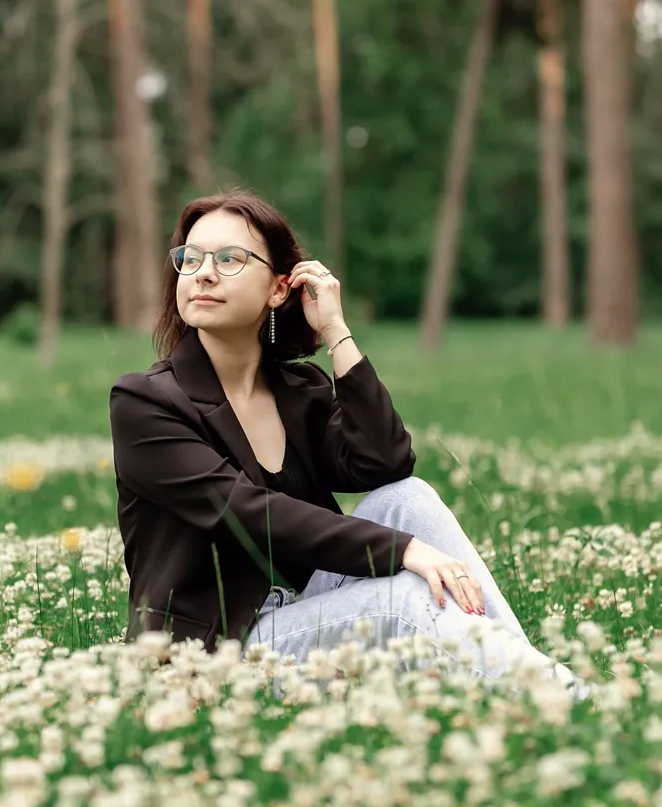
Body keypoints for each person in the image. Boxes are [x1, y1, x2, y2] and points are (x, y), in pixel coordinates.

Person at [108, 189, 584, 694]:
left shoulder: (298, 391)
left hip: (306, 608)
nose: (203, 273)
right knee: (403, 596)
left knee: (408, 498)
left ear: (279, 288)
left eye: (230, 259)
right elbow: (249, 511)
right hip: (216, 650)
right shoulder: (145, 402)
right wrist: (403, 552)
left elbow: (385, 463)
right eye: (191, 258)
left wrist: (337, 332)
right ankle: (568, 700)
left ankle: (534, 684)